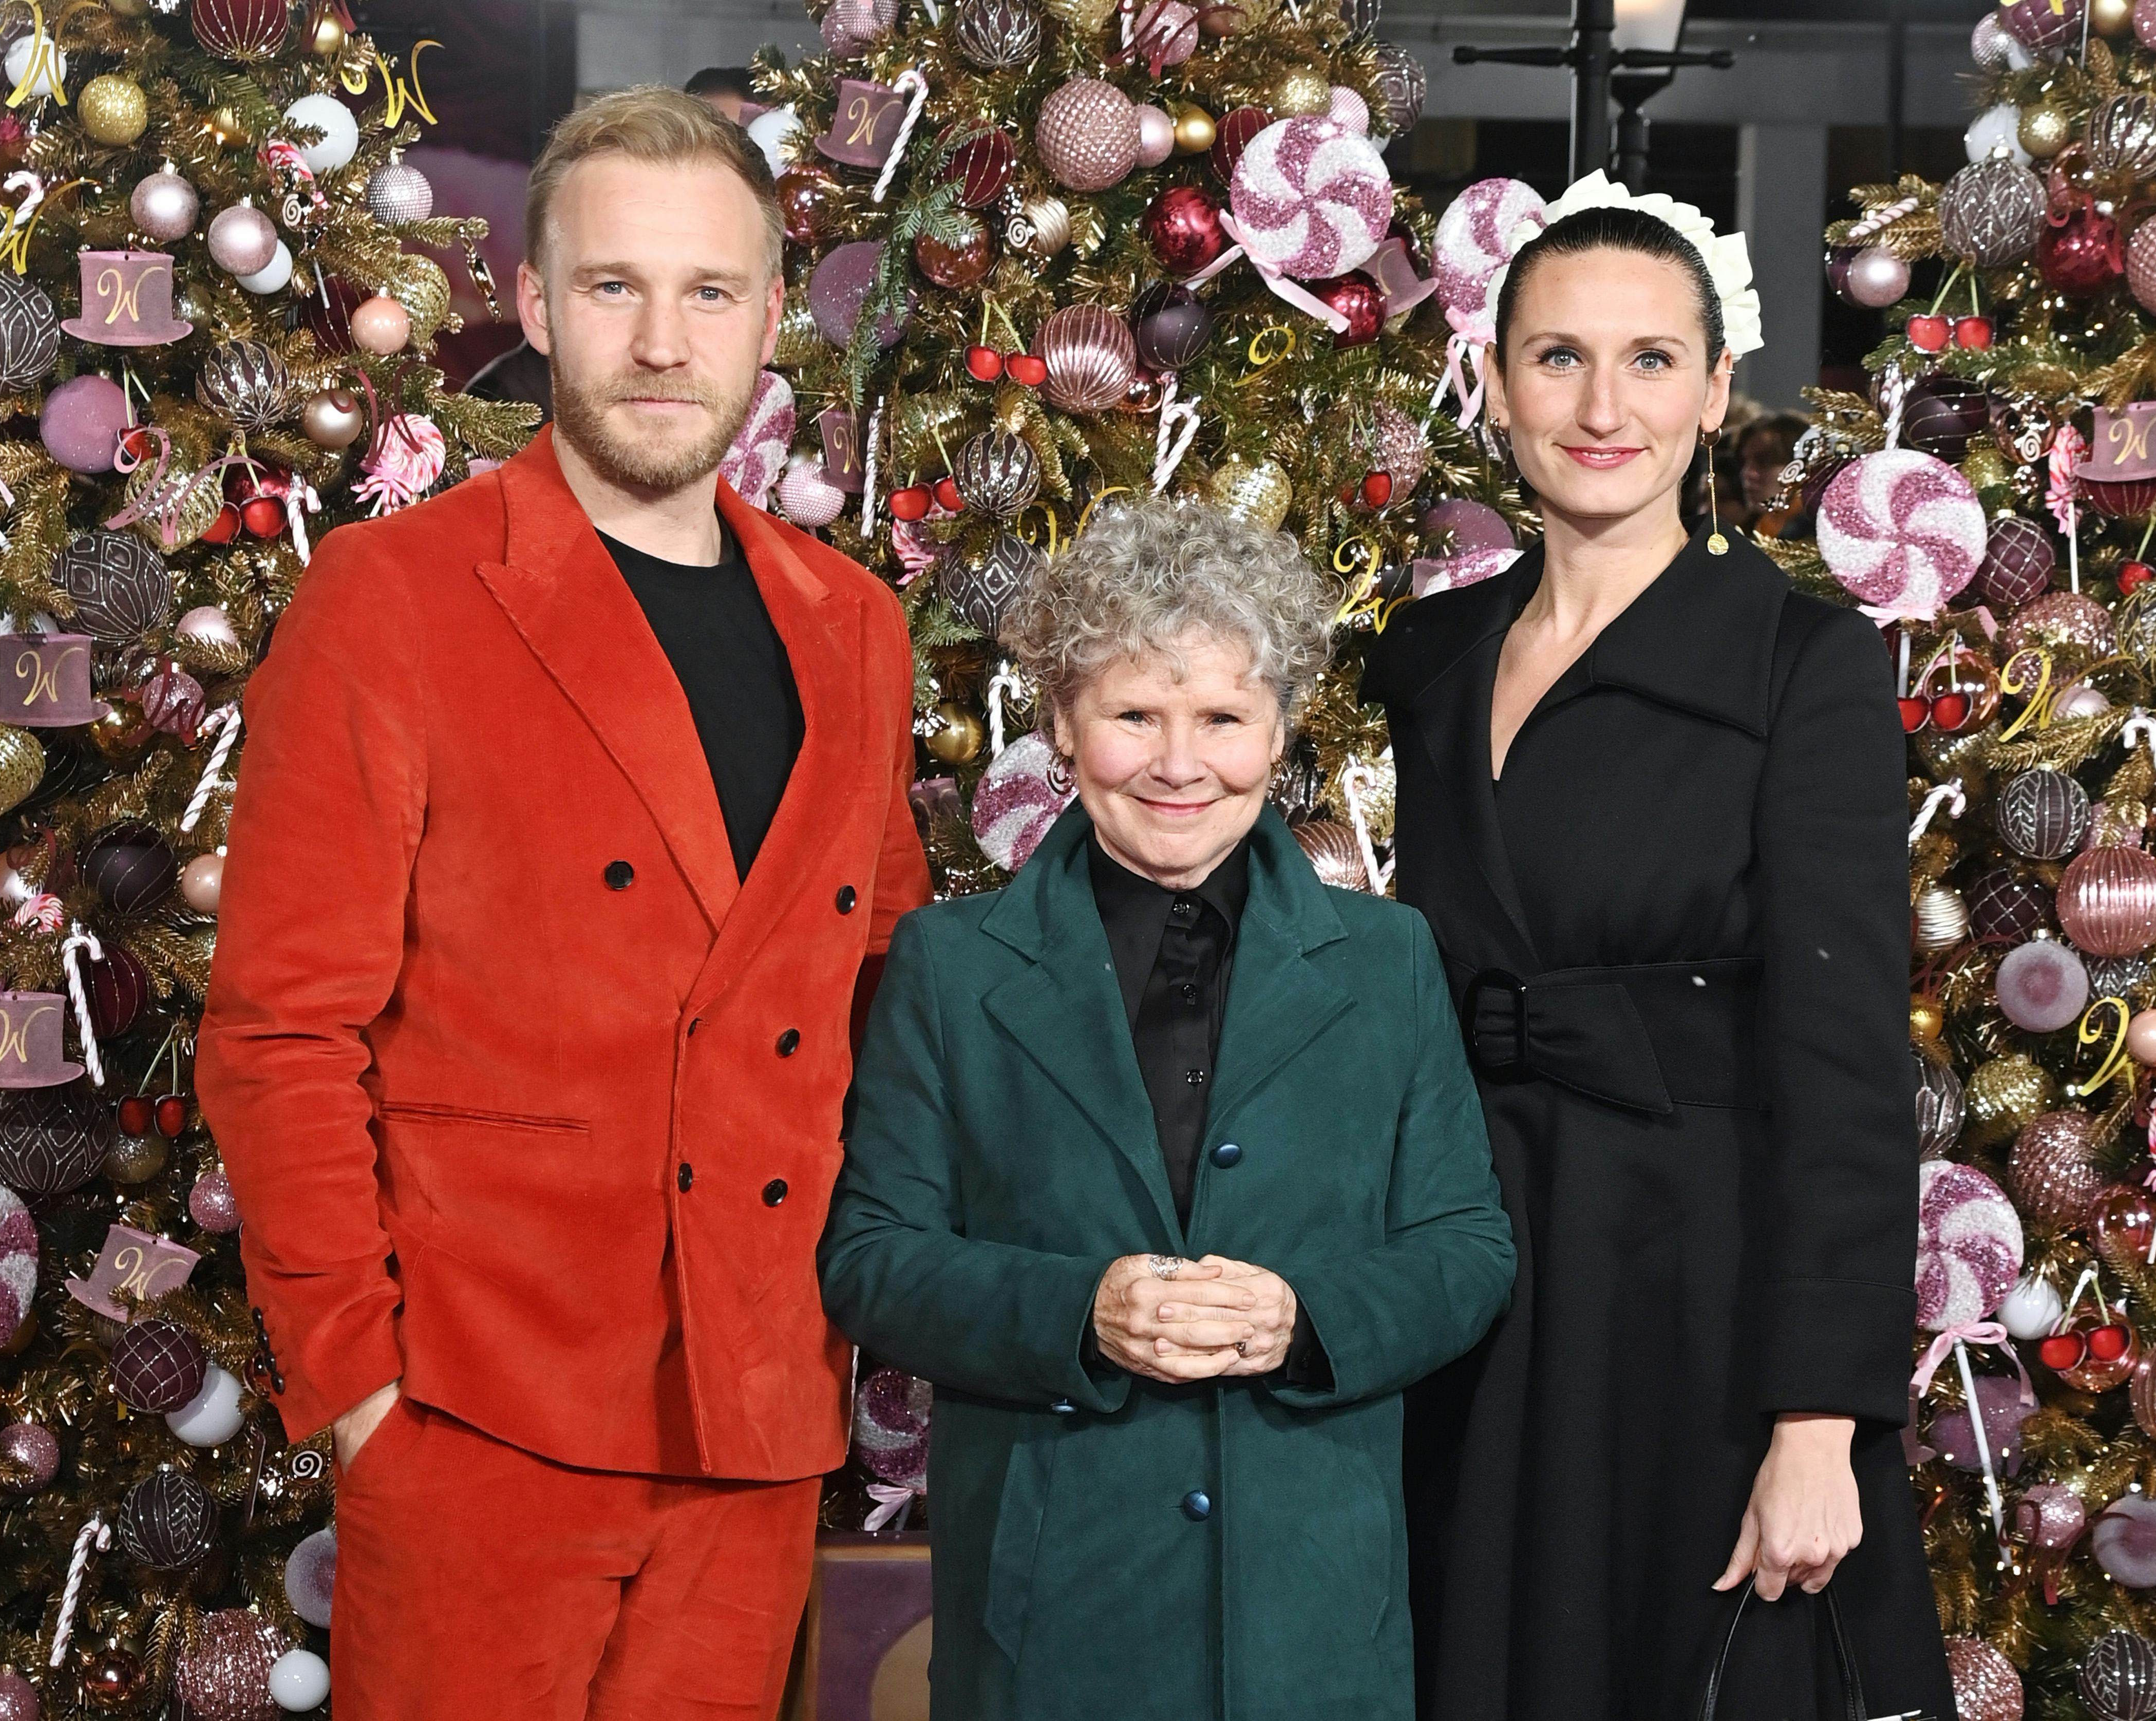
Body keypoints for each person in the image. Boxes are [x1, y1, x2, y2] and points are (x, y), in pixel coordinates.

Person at [199, 86, 931, 1719]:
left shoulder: (853, 625)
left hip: (755, 1405)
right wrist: (364, 1390)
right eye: (614, 286)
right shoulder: (394, 597)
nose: (664, 342)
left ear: (769, 321)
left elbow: (885, 983)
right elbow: (282, 1029)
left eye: (709, 291)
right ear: (535, 305)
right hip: (482, 1405)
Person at [1364, 183, 1954, 1719]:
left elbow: (1845, 1066)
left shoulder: (1800, 663)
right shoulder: (1423, 661)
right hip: (1462, 1281)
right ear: (1494, 383)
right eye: (1558, 357)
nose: (1600, 407)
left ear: (1711, 392)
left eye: (1649, 360)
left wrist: (1819, 1419)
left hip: (1693, 1292)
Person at [820, 498, 1517, 1721]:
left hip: (1315, 1614)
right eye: (1134, 714)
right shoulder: (951, 963)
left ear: (1280, 730)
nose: (1179, 764)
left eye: (1222, 720)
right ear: (1061, 722)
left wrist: (1307, 1318)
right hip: (1050, 1618)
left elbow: (1466, 1249)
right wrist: (1080, 1310)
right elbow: (871, 1260)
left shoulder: (1388, 959)